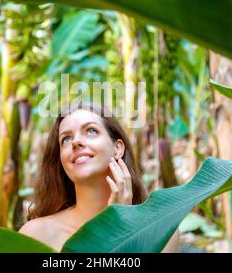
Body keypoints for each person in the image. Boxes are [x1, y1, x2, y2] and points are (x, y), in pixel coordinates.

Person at [19, 103, 180, 252]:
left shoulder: (162, 231)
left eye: (90, 131)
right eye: (66, 139)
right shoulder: (36, 235)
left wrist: (121, 229)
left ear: (117, 148)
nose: (75, 142)